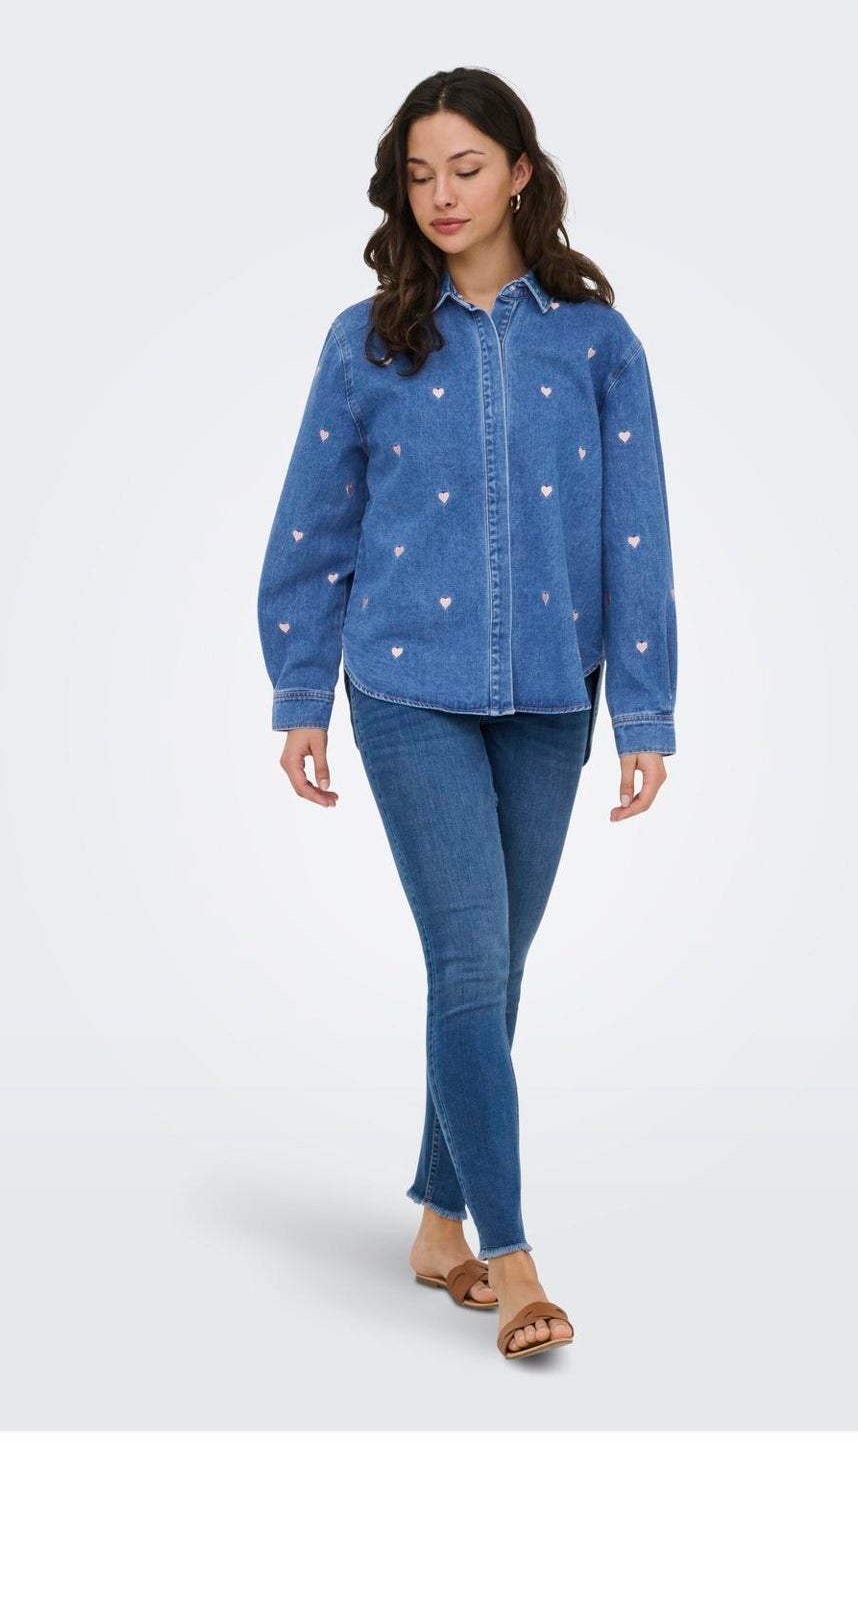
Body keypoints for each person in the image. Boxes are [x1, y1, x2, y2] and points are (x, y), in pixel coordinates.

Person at [255, 67, 679, 1360]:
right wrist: (300, 690)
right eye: (420, 174)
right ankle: (513, 1255)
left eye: (467, 168)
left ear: (519, 174)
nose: (442, 195)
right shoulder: (368, 340)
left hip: (552, 695)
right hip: (407, 689)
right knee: (472, 965)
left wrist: (645, 711)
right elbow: (315, 523)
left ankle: (439, 1223)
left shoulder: (596, 343)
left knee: (494, 971)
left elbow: (636, 535)